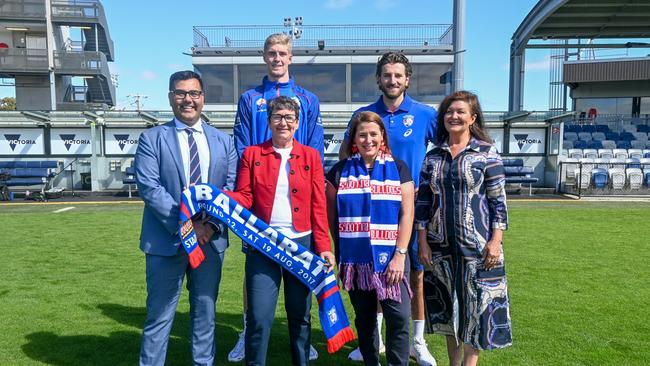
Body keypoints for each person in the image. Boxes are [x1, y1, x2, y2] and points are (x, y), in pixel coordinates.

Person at [229, 32, 324, 362]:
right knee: (256, 286)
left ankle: (301, 339)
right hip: (258, 211)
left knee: (300, 303)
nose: (277, 58)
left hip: (297, 218)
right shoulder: (249, 98)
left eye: (283, 52)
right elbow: (241, 145)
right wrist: (255, 177)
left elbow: (313, 148)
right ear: (264, 56)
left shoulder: (308, 100)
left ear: (291, 57)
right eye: (271, 52)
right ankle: (247, 332)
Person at [339, 52, 437, 365]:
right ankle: (374, 340)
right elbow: (345, 152)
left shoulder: (424, 114)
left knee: (413, 278)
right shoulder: (364, 113)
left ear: (407, 79)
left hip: (409, 211)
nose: (392, 80)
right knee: (370, 277)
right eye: (387, 75)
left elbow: (448, 144)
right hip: (367, 211)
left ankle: (417, 342)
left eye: (398, 75)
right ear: (378, 79)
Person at [135, 70, 238, 366]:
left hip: (209, 241)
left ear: (203, 98)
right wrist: (187, 226)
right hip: (166, 241)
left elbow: (230, 188)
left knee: (205, 313)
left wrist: (210, 226)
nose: (187, 100)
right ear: (170, 98)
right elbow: (150, 187)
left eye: (194, 93)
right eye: (180, 93)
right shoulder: (151, 138)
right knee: (159, 315)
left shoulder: (223, 141)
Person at [415, 91, 512, 366]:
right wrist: (422, 241)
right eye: (448, 112)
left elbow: (498, 202)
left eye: (460, 112)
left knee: (476, 314)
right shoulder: (433, 155)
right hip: (440, 248)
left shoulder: (486, 152)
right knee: (448, 314)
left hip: (478, 249)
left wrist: (496, 241)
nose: (453, 116)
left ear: (473, 117)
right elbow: (423, 202)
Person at [326, 111, 413, 366]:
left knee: (398, 317)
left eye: (373, 134)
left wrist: (400, 255)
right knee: (365, 320)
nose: (368, 139)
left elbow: (407, 214)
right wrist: (343, 254)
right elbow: (332, 217)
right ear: (354, 138)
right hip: (356, 262)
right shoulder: (340, 171)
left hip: (393, 259)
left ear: (382, 136)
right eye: (362, 134)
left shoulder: (398, 167)